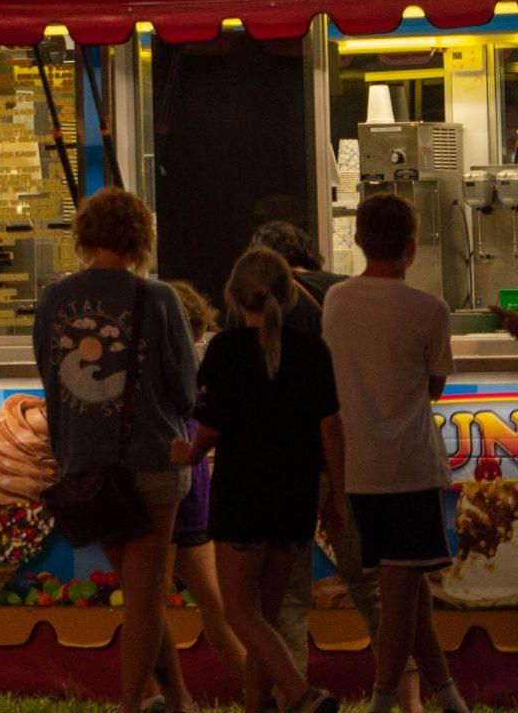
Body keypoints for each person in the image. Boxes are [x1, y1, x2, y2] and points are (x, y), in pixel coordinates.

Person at [32, 188, 198, 713]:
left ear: (84, 237)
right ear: (141, 238)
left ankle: (175, 698)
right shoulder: (161, 300)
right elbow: (188, 391)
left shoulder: (54, 300)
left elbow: (48, 375)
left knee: (140, 591)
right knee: (145, 597)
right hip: (151, 461)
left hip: (85, 468)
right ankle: (133, 704)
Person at [173, 248, 346, 713]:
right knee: (264, 616)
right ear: (291, 296)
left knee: (239, 612)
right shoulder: (312, 350)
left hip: (243, 497)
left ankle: (300, 694)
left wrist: (186, 453)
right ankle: (257, 705)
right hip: (295, 497)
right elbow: (332, 429)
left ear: (233, 296)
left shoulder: (225, 350)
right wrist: (337, 500)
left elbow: (210, 428)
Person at [323, 192, 470, 713]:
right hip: (410, 469)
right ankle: (383, 701)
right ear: (412, 247)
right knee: (403, 594)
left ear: (358, 241)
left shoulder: (336, 301)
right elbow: (433, 389)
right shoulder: (430, 309)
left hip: (359, 471)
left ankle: (450, 700)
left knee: (408, 591)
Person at [252, 220, 395, 701]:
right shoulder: (344, 292)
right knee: (371, 584)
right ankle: (401, 690)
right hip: (348, 455)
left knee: (288, 597)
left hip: (281, 465)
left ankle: (294, 697)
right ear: (308, 253)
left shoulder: (253, 303)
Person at [158, 279, 243, 706]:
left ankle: (174, 698)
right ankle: (259, 692)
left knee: (150, 605)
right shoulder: (192, 359)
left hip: (164, 480)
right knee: (215, 604)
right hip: (193, 487)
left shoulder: (160, 355)